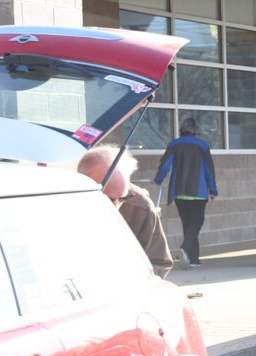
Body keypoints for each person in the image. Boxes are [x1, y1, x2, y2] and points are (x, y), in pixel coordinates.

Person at [77, 145, 174, 278]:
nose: (116, 205)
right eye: (109, 199)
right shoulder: (62, 203)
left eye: (122, 197)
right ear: (84, 184)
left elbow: (159, 264)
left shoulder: (140, 206)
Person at [154, 118, 218, 267]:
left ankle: (193, 260)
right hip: (199, 192)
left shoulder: (174, 144)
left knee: (188, 224)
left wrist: (158, 179)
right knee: (196, 224)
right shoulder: (203, 146)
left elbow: (165, 166)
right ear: (196, 130)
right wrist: (213, 190)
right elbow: (209, 170)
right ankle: (184, 248)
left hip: (180, 192)